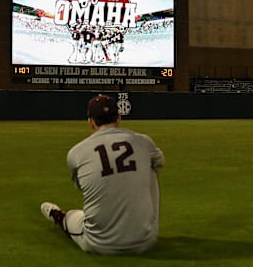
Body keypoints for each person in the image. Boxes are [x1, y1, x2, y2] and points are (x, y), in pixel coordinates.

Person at [40, 94, 165, 255]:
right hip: (146, 242)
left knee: (72, 216)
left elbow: (84, 187)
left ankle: (59, 217)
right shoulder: (143, 141)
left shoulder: (76, 152)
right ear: (119, 118)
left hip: (98, 243)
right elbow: (160, 163)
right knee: (152, 167)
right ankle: (138, 225)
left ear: (90, 121)